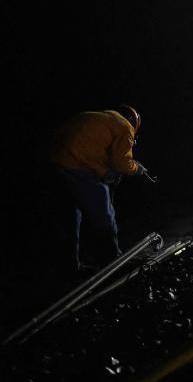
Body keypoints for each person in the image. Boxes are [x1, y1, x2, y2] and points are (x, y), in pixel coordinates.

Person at [50, 105, 148, 271]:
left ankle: (71, 266)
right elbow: (121, 162)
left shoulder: (95, 117)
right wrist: (137, 169)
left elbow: (90, 147)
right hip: (76, 165)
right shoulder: (125, 127)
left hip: (55, 161)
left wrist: (103, 170)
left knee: (71, 216)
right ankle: (112, 260)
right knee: (104, 213)